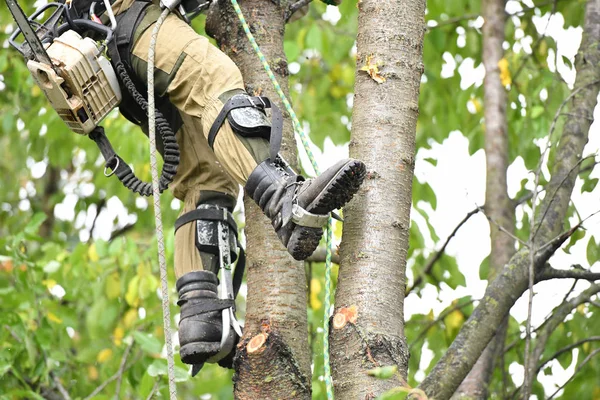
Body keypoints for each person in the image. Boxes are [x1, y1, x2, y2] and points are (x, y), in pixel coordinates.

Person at [99, 0, 365, 371]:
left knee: (205, 174)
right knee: (214, 79)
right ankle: (286, 202)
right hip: (132, 25)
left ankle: (202, 314)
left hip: (110, 53)